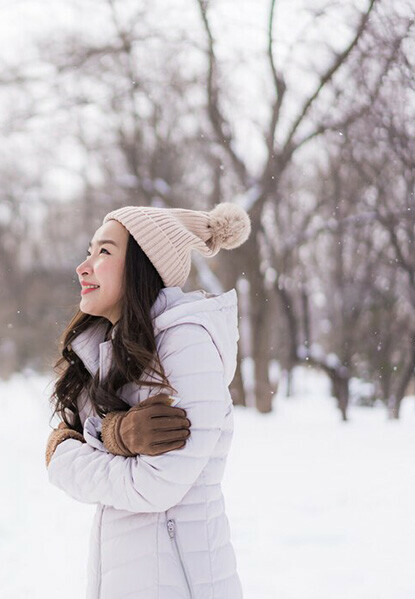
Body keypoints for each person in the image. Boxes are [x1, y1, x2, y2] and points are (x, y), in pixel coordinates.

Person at [45, 202, 250, 599]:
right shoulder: (118, 349)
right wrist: (111, 436)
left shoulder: (187, 343)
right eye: (89, 251)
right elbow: (65, 442)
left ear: (143, 265)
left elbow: (154, 487)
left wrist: (74, 450)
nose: (83, 267)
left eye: (104, 252)